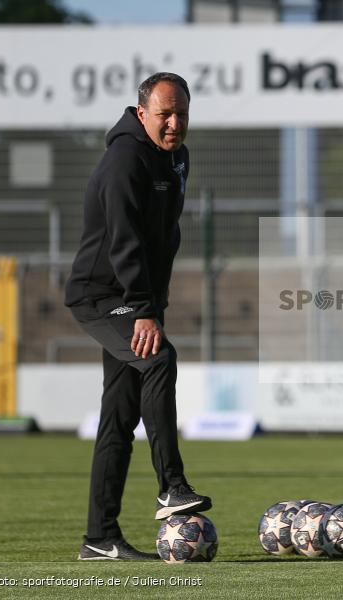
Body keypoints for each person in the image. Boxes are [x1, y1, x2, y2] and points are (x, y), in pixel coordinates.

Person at [65, 72, 212, 561]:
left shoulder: (177, 157)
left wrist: (154, 305)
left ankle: (99, 538)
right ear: (141, 112)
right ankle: (172, 485)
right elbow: (125, 242)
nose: (174, 123)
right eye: (165, 113)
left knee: (120, 416)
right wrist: (144, 312)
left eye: (182, 114)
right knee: (159, 360)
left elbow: (163, 239)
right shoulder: (124, 159)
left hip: (136, 297)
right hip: (101, 295)